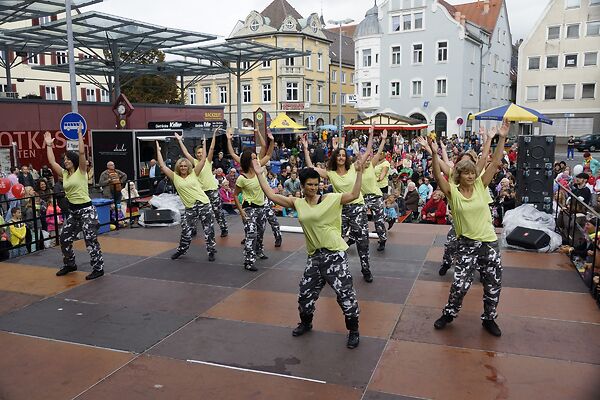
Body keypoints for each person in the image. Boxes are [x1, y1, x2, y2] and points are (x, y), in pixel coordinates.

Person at [252, 158, 364, 349]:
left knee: (345, 296)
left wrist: (360, 172)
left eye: (316, 184)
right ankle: (306, 322)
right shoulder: (298, 203)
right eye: (309, 185)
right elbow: (271, 195)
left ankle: (353, 331)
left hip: (335, 255)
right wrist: (259, 174)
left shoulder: (331, 199)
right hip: (314, 257)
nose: (314, 187)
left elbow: (354, 194)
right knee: (305, 295)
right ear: (302, 186)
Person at [429, 118, 509, 337]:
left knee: (493, 283)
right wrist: (435, 154)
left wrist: (500, 138)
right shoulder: (453, 193)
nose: (472, 176)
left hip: (489, 242)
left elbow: (493, 162)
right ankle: (449, 313)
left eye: (473, 172)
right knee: (460, 285)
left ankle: (489, 318)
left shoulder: (481, 186)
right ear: (459, 176)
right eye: (467, 173)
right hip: (466, 243)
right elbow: (438, 175)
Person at [302, 131, 374, 282]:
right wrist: (305, 149)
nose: (341, 157)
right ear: (335, 158)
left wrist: (371, 134)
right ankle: (335, 269)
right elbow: (311, 168)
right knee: (335, 238)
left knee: (363, 241)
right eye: (338, 155)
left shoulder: (353, 168)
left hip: (357, 207)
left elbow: (367, 152)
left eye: (343, 155)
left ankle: (366, 269)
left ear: (346, 158)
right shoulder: (331, 173)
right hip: (340, 209)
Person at [44, 127, 105, 280]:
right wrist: (49, 145)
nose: (66, 161)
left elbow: (82, 153)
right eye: (64, 160)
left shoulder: (81, 171)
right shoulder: (64, 174)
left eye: (68, 159)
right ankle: (70, 264)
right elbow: (51, 162)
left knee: (90, 239)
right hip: (73, 212)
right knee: (64, 238)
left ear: (74, 161)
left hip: (86, 211)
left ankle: (98, 268)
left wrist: (79, 135)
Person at [156, 139, 216, 261]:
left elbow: (203, 159)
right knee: (186, 230)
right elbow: (162, 165)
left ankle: (211, 251)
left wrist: (204, 145)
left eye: (185, 166)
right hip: (190, 208)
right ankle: (182, 250)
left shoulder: (194, 173)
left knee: (208, 229)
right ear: (178, 167)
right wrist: (158, 151)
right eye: (181, 166)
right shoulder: (175, 177)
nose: (183, 167)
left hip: (204, 204)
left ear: (188, 167)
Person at [226, 128, 275, 271]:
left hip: (261, 207)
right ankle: (248, 261)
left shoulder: (260, 169)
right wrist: (241, 212)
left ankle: (259, 251)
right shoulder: (242, 178)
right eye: (253, 158)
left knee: (260, 233)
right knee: (251, 234)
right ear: (248, 161)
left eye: (256, 157)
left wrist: (271, 140)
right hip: (249, 208)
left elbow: (269, 152)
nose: (256, 160)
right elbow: (235, 195)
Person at [176, 130, 228, 238]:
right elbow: (185, 153)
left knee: (217, 211)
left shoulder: (207, 160)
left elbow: (212, 148)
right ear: (195, 154)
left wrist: (213, 136)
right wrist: (180, 141)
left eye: (201, 152)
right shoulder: (194, 162)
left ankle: (224, 228)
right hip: (200, 192)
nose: (200, 154)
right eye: (198, 153)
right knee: (195, 211)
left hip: (212, 190)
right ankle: (193, 229)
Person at [360, 128, 389, 251]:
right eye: (364, 159)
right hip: (362, 198)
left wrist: (383, 140)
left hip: (375, 196)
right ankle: (354, 237)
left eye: (368, 158)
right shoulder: (355, 169)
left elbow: (378, 153)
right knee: (358, 219)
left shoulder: (371, 165)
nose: (367, 160)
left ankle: (382, 239)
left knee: (379, 221)